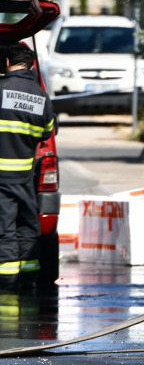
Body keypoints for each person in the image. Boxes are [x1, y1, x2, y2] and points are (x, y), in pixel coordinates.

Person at [0, 43, 55, 291]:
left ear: (8, 62)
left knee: (5, 229)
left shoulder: (1, 90)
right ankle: (28, 277)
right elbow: (47, 133)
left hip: (1, 176)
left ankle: (7, 279)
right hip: (25, 175)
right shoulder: (41, 97)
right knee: (27, 226)